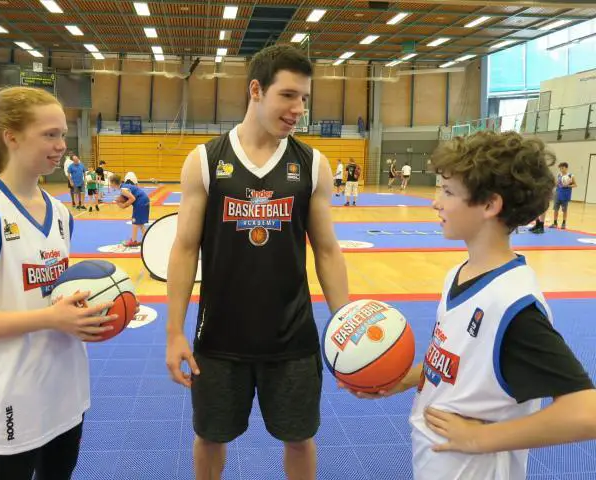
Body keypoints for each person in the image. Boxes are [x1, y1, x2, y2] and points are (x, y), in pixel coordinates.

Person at [344, 131, 596, 480]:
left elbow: (586, 411)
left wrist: (482, 438)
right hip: (438, 460)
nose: (436, 203)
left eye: (447, 192)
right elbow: (461, 367)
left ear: (490, 205)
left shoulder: (513, 306)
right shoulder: (458, 274)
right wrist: (401, 380)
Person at [165, 44, 349, 480]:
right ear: (255, 90)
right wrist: (174, 331)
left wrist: (344, 324)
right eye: (288, 95)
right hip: (219, 338)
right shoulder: (205, 161)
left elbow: (326, 248)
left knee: (300, 438)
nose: (298, 108)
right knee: (209, 437)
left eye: (304, 98)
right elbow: (185, 248)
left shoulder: (312, 164)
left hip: (293, 338)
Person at [0, 86, 118, 480]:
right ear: (12, 136)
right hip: (11, 394)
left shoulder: (58, 211)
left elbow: (49, 295)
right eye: (49, 134)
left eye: (63, 135)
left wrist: (100, 308)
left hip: (65, 385)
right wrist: (50, 319)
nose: (61, 146)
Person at [110, 172, 150, 247]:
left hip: (141, 202)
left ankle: (133, 241)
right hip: (144, 200)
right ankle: (147, 238)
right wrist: (120, 202)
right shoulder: (124, 186)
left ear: (113, 183)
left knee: (135, 222)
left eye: (110, 183)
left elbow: (132, 198)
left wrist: (124, 205)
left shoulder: (123, 189)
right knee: (140, 223)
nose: (110, 184)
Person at [551, 161, 576, 229]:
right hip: (558, 194)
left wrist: (568, 185)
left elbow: (575, 185)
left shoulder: (570, 175)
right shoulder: (559, 175)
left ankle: (563, 223)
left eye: (562, 168)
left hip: (565, 195)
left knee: (564, 210)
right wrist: (555, 184)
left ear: (566, 168)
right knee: (555, 209)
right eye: (560, 168)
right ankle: (555, 223)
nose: (561, 169)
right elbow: (557, 184)